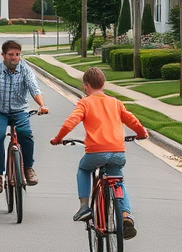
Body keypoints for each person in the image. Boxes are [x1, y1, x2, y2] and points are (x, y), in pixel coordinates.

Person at [50, 66, 147, 239]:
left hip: (96, 152)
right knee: (117, 181)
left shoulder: (85, 102)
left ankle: (84, 206)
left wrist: (58, 138)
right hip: (118, 152)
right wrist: (141, 133)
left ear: (86, 86)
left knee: (84, 169)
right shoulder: (115, 103)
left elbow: (70, 122)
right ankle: (126, 216)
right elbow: (131, 119)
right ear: (103, 84)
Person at [0, 40, 48, 194]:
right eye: (10, 54)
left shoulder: (26, 70)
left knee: (26, 134)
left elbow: (34, 88)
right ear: (3, 55)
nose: (14, 58)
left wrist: (42, 105)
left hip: (20, 111)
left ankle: (28, 167)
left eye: (17, 55)